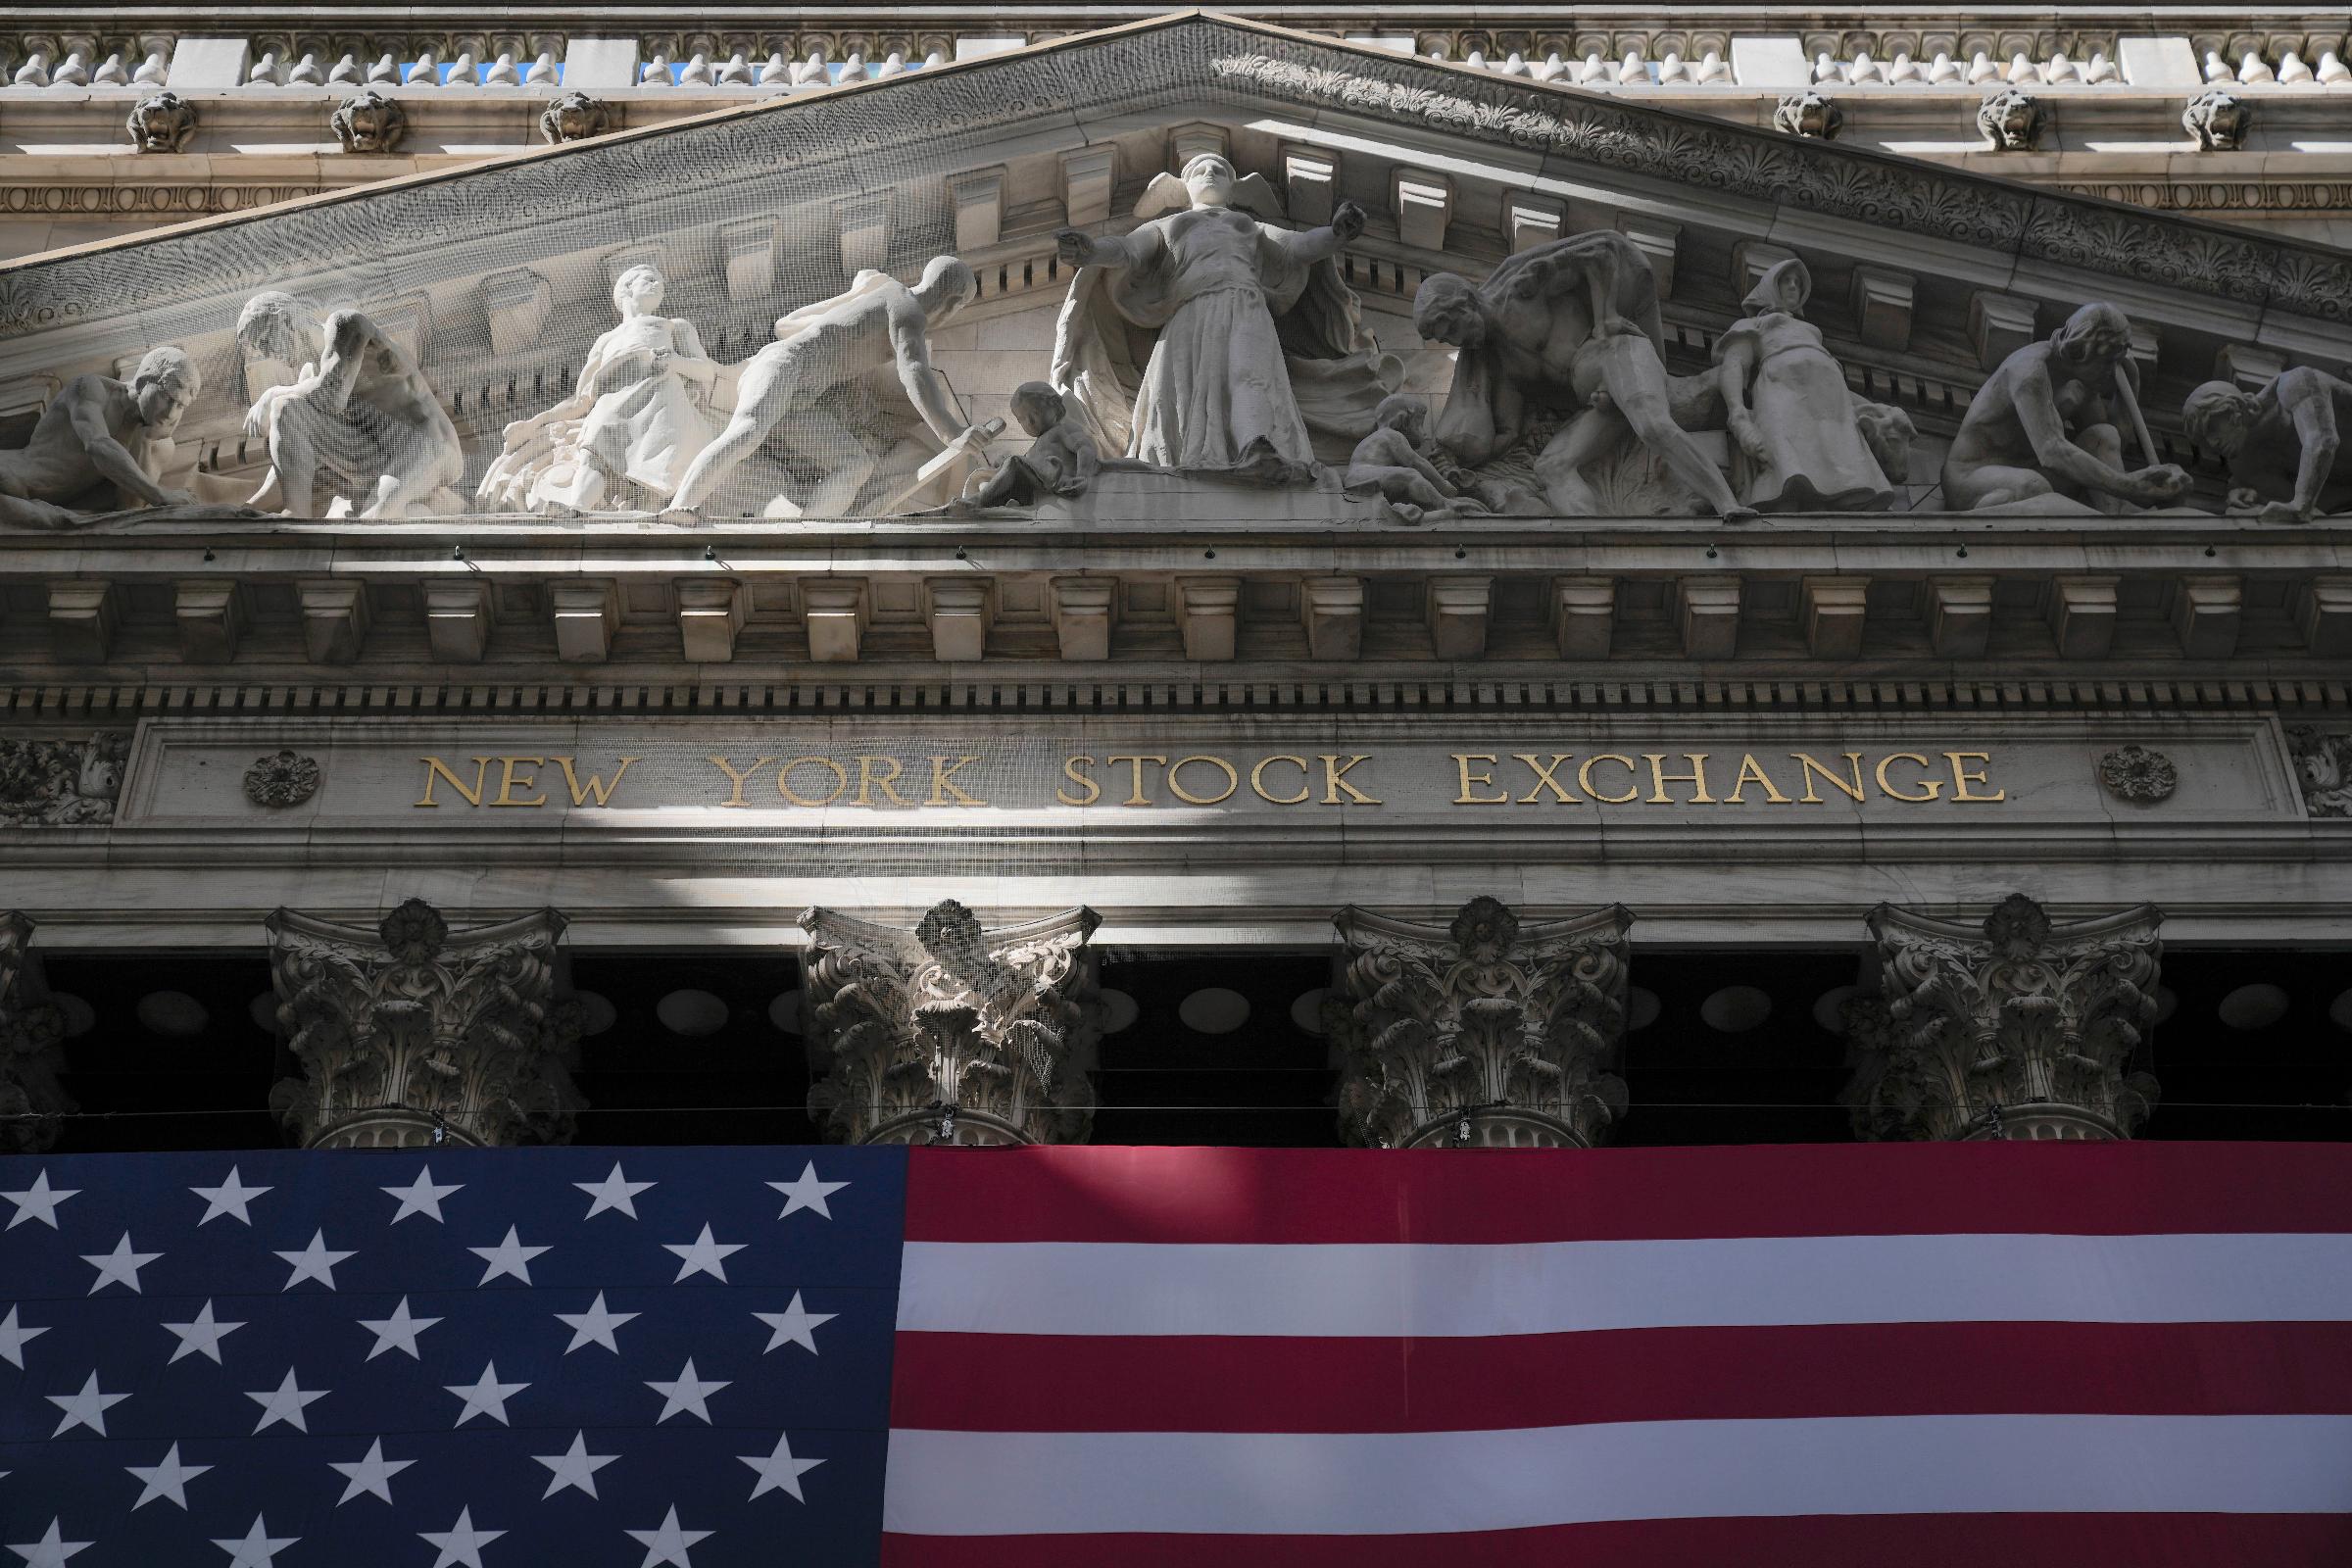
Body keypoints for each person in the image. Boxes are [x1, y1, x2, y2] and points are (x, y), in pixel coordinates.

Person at [1051, 152, 1396, 479]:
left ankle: (1257, 446)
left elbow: (1297, 247)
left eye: (1220, 171)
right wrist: (1092, 252)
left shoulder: (1247, 226)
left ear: (1234, 189)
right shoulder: (1169, 225)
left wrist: (1336, 234)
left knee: (1251, 373)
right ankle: (1183, 456)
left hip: (1246, 306)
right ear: (1183, 187)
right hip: (1190, 312)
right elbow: (1128, 251)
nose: (1210, 174)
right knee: (1181, 388)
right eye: (1199, 171)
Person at [1414, 232, 1753, 521]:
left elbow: (1600, 253)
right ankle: (1595, 545)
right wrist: (1455, 461)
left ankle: (1728, 504)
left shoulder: (1520, 289)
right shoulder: (1501, 364)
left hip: (1616, 355)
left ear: (1466, 302)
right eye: (1447, 339)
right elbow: (1510, 432)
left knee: (1653, 425)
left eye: (1453, 328)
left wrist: (1606, 316)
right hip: (1599, 401)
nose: (1457, 340)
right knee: (1551, 467)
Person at [667, 255, 983, 515]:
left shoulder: (897, 304)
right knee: (747, 432)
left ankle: (808, 534)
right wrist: (952, 433)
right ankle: (680, 507)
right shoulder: (905, 305)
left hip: (799, 400)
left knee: (856, 465)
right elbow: (913, 369)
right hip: (784, 366)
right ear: (953, 302)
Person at [477, 264, 721, 514]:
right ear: (627, 287)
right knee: (592, 452)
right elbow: (580, 401)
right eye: (649, 279)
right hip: (613, 403)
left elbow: (706, 372)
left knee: (659, 464)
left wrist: (675, 362)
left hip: (661, 399)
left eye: (659, 281)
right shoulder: (605, 341)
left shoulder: (674, 326)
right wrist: (534, 423)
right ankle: (577, 510)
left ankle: (660, 512)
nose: (658, 285)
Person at [1940, 302, 2187, 514]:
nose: (2111, 372)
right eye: (2107, 362)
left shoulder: (2080, 383)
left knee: (2102, 435)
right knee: (2031, 486)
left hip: (2033, 472)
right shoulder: (2029, 372)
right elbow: (2052, 450)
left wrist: (2131, 385)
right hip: (1973, 476)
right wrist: (2128, 486)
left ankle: (2119, 519)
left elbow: (2110, 448)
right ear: (2080, 351)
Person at [238, 294, 466, 518]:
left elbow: (331, 394)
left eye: (265, 341)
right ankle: (295, 513)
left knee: (374, 520)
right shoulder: (308, 376)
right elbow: (291, 457)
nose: (268, 354)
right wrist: (247, 507)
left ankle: (428, 505)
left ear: (285, 320)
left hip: (424, 442)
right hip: (375, 456)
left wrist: (271, 394)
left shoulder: (345, 323)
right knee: (287, 409)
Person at [1712, 258, 1897, 512]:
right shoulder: (1755, 324)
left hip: (1830, 406)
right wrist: (1738, 414)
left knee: (1841, 466)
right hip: (1782, 394)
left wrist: (1874, 409)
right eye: (1786, 281)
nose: (1793, 286)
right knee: (1790, 469)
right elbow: (1734, 365)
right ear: (1770, 287)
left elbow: (1837, 387)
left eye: (1798, 283)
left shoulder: (1810, 332)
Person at [0, 348, 199, 527]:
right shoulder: (90, 388)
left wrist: (145, 440)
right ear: (143, 382)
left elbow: (129, 508)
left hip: (34, 502)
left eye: (180, 405)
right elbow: (97, 445)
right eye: (167, 397)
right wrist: (160, 494)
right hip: (9, 474)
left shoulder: (160, 445)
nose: (170, 413)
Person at [2180, 367, 2352, 523]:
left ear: (2234, 407)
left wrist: (2301, 505)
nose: (2212, 443)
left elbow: (2323, 440)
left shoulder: (2294, 383)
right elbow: (2296, 501)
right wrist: (2259, 496)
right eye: (2204, 440)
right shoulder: (2244, 465)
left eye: (2212, 429)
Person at [1345, 394, 1488, 522]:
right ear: (1403, 419)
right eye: (1419, 422)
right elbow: (1416, 462)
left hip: (1357, 478)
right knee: (1410, 474)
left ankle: (1424, 508)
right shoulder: (1392, 435)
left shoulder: (1375, 438)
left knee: (1405, 478)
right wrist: (1443, 486)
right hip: (1363, 476)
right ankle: (1443, 504)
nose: (1423, 432)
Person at [969, 382, 1099, 508]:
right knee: (985, 477)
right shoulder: (1035, 447)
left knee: (1014, 461)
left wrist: (1082, 476)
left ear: (1054, 406)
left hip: (1054, 479)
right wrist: (1001, 465)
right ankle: (1007, 502)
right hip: (1035, 483)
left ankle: (978, 502)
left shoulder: (1062, 429)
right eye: (1022, 419)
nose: (1030, 422)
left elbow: (1085, 448)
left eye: (1035, 413)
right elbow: (1026, 465)